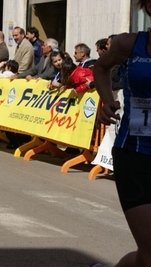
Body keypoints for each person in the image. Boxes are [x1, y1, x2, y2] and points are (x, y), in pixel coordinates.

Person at [94, 1, 151, 266]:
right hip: (135, 156)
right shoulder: (128, 44)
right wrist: (107, 101)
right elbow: (101, 68)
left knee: (145, 255)